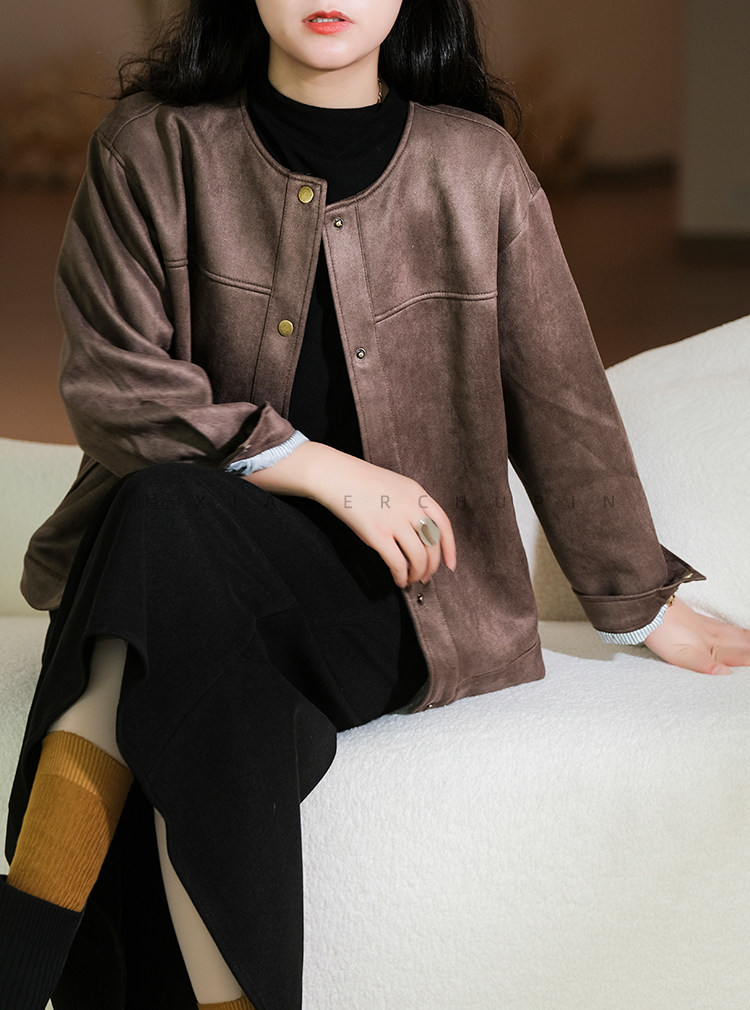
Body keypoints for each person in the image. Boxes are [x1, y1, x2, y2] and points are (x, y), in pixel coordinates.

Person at [2, 2, 749, 1009]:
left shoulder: (476, 168)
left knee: (161, 533)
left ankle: (21, 950)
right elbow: (113, 387)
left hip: (394, 598)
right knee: (172, 546)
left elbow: (561, 398)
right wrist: (321, 467)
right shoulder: (151, 150)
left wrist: (641, 601)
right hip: (178, 566)